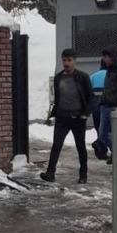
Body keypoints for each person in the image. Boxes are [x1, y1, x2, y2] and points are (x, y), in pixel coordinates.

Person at [41, 49, 94, 184]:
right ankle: (50, 173)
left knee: (80, 146)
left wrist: (86, 113)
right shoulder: (58, 78)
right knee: (56, 145)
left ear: (74, 61)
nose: (66, 63)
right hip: (62, 117)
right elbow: (57, 97)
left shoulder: (83, 77)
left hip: (78, 117)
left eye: (69, 60)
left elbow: (90, 97)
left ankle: (83, 175)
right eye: (64, 60)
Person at [94, 46, 117, 164]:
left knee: (104, 134)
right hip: (105, 104)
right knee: (105, 133)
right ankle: (116, 152)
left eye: (107, 57)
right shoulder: (109, 71)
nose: (104, 59)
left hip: (113, 105)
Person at [89, 66, 107, 154]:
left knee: (98, 127)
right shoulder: (110, 76)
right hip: (106, 103)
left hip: (95, 103)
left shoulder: (93, 76)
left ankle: (101, 150)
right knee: (107, 129)